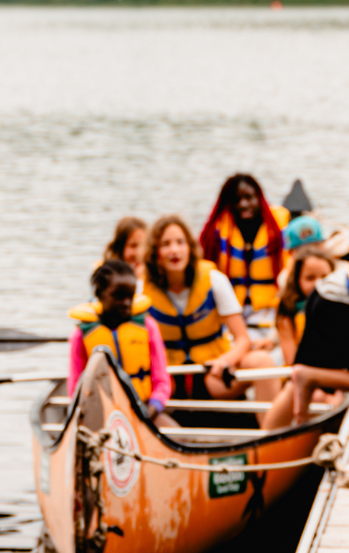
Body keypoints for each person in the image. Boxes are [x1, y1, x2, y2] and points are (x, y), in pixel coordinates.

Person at [142, 214, 280, 406]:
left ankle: (273, 430)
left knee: (262, 361)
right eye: (166, 244)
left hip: (212, 374)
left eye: (180, 242)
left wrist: (225, 361)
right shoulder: (141, 291)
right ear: (154, 252)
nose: (174, 250)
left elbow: (242, 339)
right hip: (168, 378)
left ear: (190, 247)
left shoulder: (214, 280)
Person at [262, 255, 349, 429]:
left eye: (321, 275)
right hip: (337, 303)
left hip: (332, 300)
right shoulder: (288, 309)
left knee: (302, 381)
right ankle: (271, 433)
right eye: (310, 277)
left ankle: (279, 429)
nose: (316, 281)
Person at [67, 260, 171, 421]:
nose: (126, 303)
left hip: (146, 412)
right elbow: (75, 387)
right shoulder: (81, 335)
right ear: (99, 294)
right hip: (102, 418)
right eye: (118, 296)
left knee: (179, 436)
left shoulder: (148, 327)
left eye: (130, 296)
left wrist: (153, 408)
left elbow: (162, 381)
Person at [198, 174, 291, 327]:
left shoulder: (280, 228)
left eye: (249, 197)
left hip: (271, 309)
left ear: (260, 198)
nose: (243, 204)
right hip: (231, 312)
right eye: (236, 200)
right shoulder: (215, 233)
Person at [275, 246, 337, 366]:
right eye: (310, 278)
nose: (318, 283)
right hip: (303, 371)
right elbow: (291, 359)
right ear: (297, 280)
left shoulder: (341, 307)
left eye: (324, 277)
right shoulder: (287, 308)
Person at [103, 216, 148, 289]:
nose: (139, 253)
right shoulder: (106, 279)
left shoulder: (155, 277)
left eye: (143, 245)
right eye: (133, 246)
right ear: (119, 248)